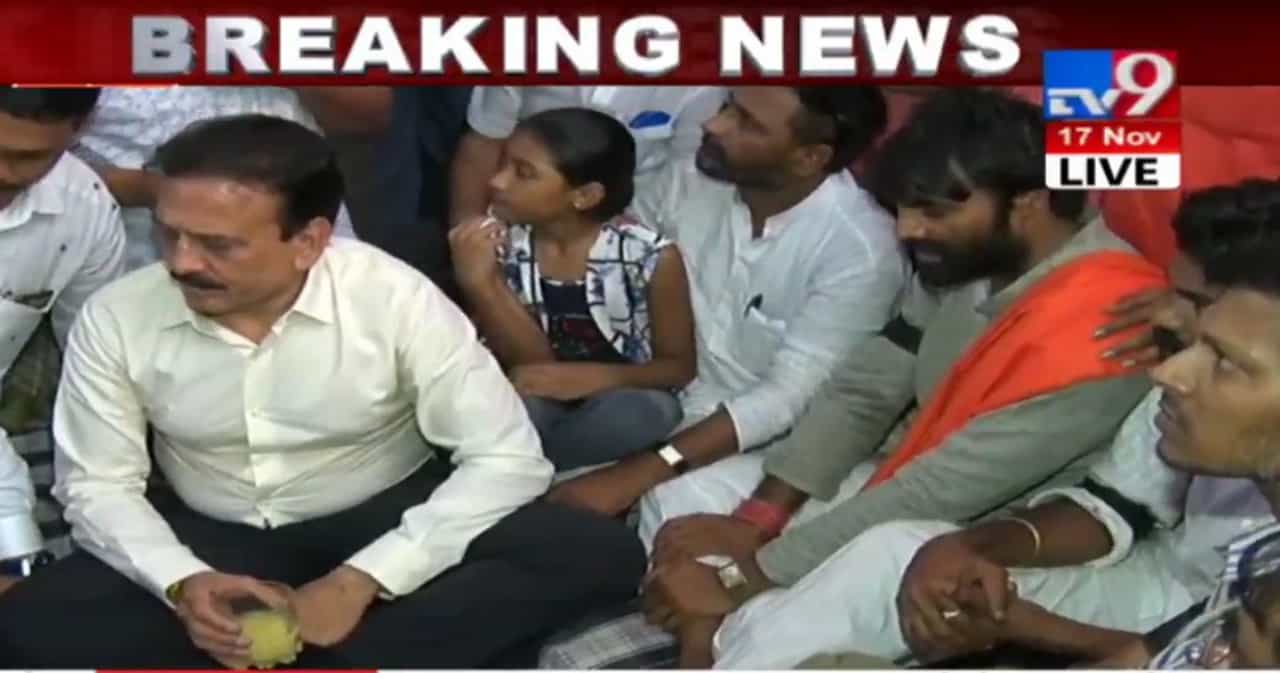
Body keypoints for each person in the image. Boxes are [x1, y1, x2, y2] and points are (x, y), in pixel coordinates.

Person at [0, 114, 644, 668]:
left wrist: (363, 580)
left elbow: (507, 459)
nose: (182, 262)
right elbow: (98, 485)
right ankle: (347, 653)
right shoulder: (119, 314)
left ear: (309, 241)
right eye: (170, 233)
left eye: (218, 245)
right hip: (214, 534)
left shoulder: (393, 296)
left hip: (383, 512)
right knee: (28, 626)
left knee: (594, 553)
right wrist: (184, 583)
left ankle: (323, 654)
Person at [612, 88, 1168, 669]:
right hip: (903, 475)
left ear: (1029, 204)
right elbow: (868, 388)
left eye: (933, 212)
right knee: (684, 495)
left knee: (804, 603)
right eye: (902, 208)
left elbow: (943, 492)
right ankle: (705, 636)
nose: (907, 230)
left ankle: (717, 636)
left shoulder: (1110, 325)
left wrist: (743, 575)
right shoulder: (970, 256)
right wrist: (760, 519)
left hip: (991, 534)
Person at [644, 179, 1280, 670]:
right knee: (900, 553)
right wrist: (979, 549)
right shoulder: (1169, 358)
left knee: (888, 560)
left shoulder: (1108, 331)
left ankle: (716, 641)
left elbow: (1201, 636)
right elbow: (1111, 508)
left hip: (1171, 604)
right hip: (1154, 588)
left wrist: (1022, 624)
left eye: (1195, 306)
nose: (1163, 320)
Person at [541, 86, 906, 519]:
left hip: (755, 446)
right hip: (645, 402)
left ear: (809, 158)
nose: (713, 125)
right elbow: (602, 268)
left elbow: (787, 400)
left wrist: (639, 473)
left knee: (669, 501)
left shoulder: (860, 252)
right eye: (728, 107)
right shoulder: (687, 180)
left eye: (747, 123)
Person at [449, 107, 695, 472]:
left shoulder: (648, 257)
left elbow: (678, 368)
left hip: (617, 396)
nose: (497, 181)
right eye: (502, 164)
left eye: (523, 173)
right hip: (534, 391)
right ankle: (538, 473)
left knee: (652, 411)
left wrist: (593, 378)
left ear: (584, 196)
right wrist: (483, 285)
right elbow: (531, 366)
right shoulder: (497, 243)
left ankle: (525, 471)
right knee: (514, 405)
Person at [0, 86, 125, 592]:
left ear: (81, 128)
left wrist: (18, 562)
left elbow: (96, 372)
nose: (4, 173)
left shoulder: (85, 208)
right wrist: (14, 541)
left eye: (28, 158)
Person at [71, 86, 387, 271]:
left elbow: (372, 115)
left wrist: (276, 44)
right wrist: (149, 190)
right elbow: (46, 145)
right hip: (132, 244)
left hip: (297, 229)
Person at [449, 86, 726, 228]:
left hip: (636, 218)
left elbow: (684, 176)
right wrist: (468, 235)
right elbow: (484, 141)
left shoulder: (704, 76)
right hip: (515, 212)